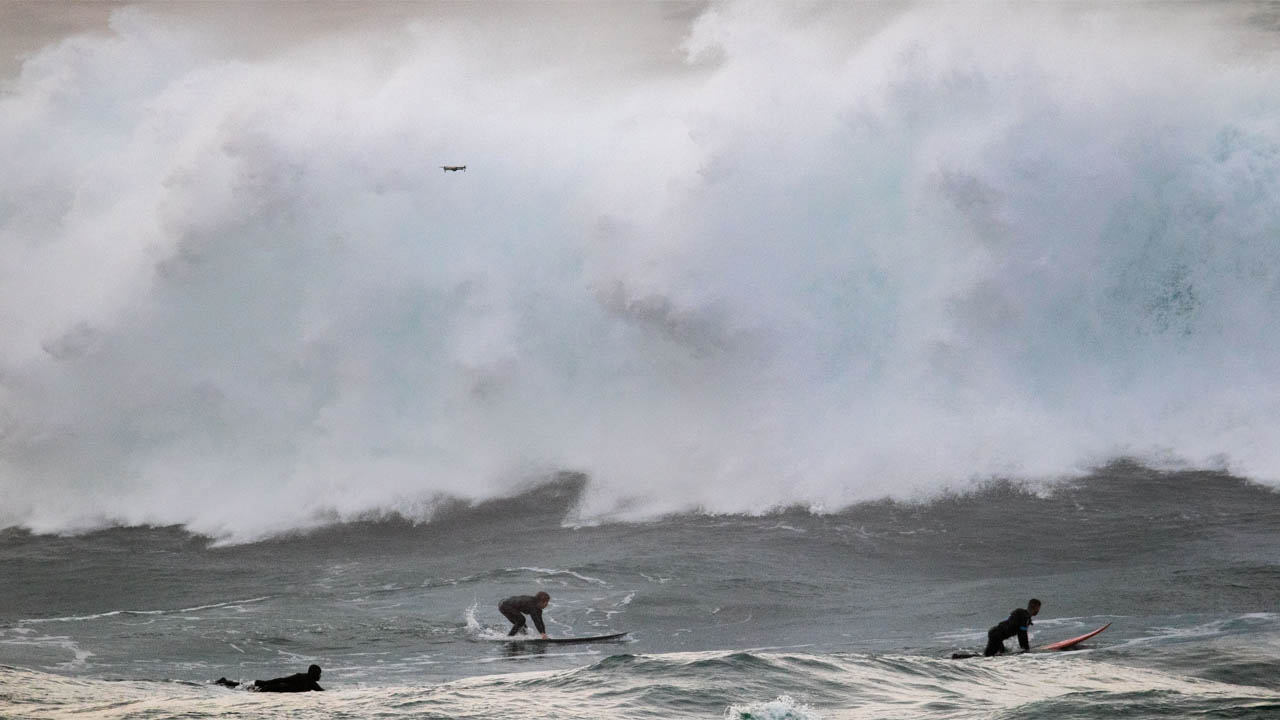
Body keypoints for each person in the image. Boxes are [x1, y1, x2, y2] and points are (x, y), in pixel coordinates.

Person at [214, 664, 324, 692]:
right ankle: (226, 682)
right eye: (318, 674)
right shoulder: (303, 678)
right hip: (270, 687)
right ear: (313, 674)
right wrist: (266, 683)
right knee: (244, 688)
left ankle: (227, 683)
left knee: (243, 688)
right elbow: (282, 679)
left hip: (272, 688)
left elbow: (321, 691)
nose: (319, 676)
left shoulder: (309, 681)